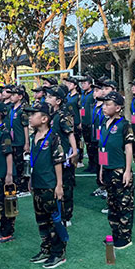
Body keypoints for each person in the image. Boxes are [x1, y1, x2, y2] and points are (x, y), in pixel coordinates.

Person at [24, 101, 67, 269]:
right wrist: (31, 180)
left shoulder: (53, 137)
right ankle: (46, 248)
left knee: (54, 219)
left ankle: (58, 252)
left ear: (44, 119)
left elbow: (58, 162)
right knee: (41, 219)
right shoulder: (33, 137)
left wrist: (59, 185)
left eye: (33, 114)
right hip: (37, 184)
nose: (30, 117)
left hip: (50, 184)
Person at [97, 91, 135, 249]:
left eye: (108, 104)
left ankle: (125, 237)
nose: (104, 107)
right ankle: (115, 233)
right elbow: (102, 147)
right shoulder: (103, 123)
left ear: (118, 108)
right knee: (111, 203)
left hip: (119, 169)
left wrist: (127, 170)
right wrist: (101, 167)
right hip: (107, 169)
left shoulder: (124, 125)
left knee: (124, 204)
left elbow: (129, 148)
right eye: (103, 104)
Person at [45, 85, 78, 226]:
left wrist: (75, 151)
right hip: (53, 154)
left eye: (50, 97)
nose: (47, 99)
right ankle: (56, 213)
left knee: (66, 186)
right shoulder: (50, 114)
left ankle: (66, 216)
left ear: (58, 101)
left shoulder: (63, 115)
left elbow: (70, 133)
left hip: (64, 155)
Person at [0, 101, 17, 243]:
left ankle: (7, 232)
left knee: (6, 203)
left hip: (3, 173)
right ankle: (2, 229)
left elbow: (8, 154)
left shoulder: (4, 132)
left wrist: (9, 174)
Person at [7, 85, 30, 196]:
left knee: (21, 165)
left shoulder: (22, 110)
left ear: (20, 96)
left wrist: (26, 143)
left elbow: (25, 127)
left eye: (13, 95)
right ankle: (17, 185)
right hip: (12, 141)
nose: (11, 97)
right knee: (15, 165)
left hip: (20, 141)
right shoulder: (11, 108)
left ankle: (23, 188)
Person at [79, 76, 96, 173]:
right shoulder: (83, 94)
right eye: (82, 83)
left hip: (91, 123)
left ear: (90, 84)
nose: (82, 85)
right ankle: (91, 164)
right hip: (84, 123)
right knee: (87, 145)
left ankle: (95, 164)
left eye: (84, 83)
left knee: (93, 145)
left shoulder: (93, 94)